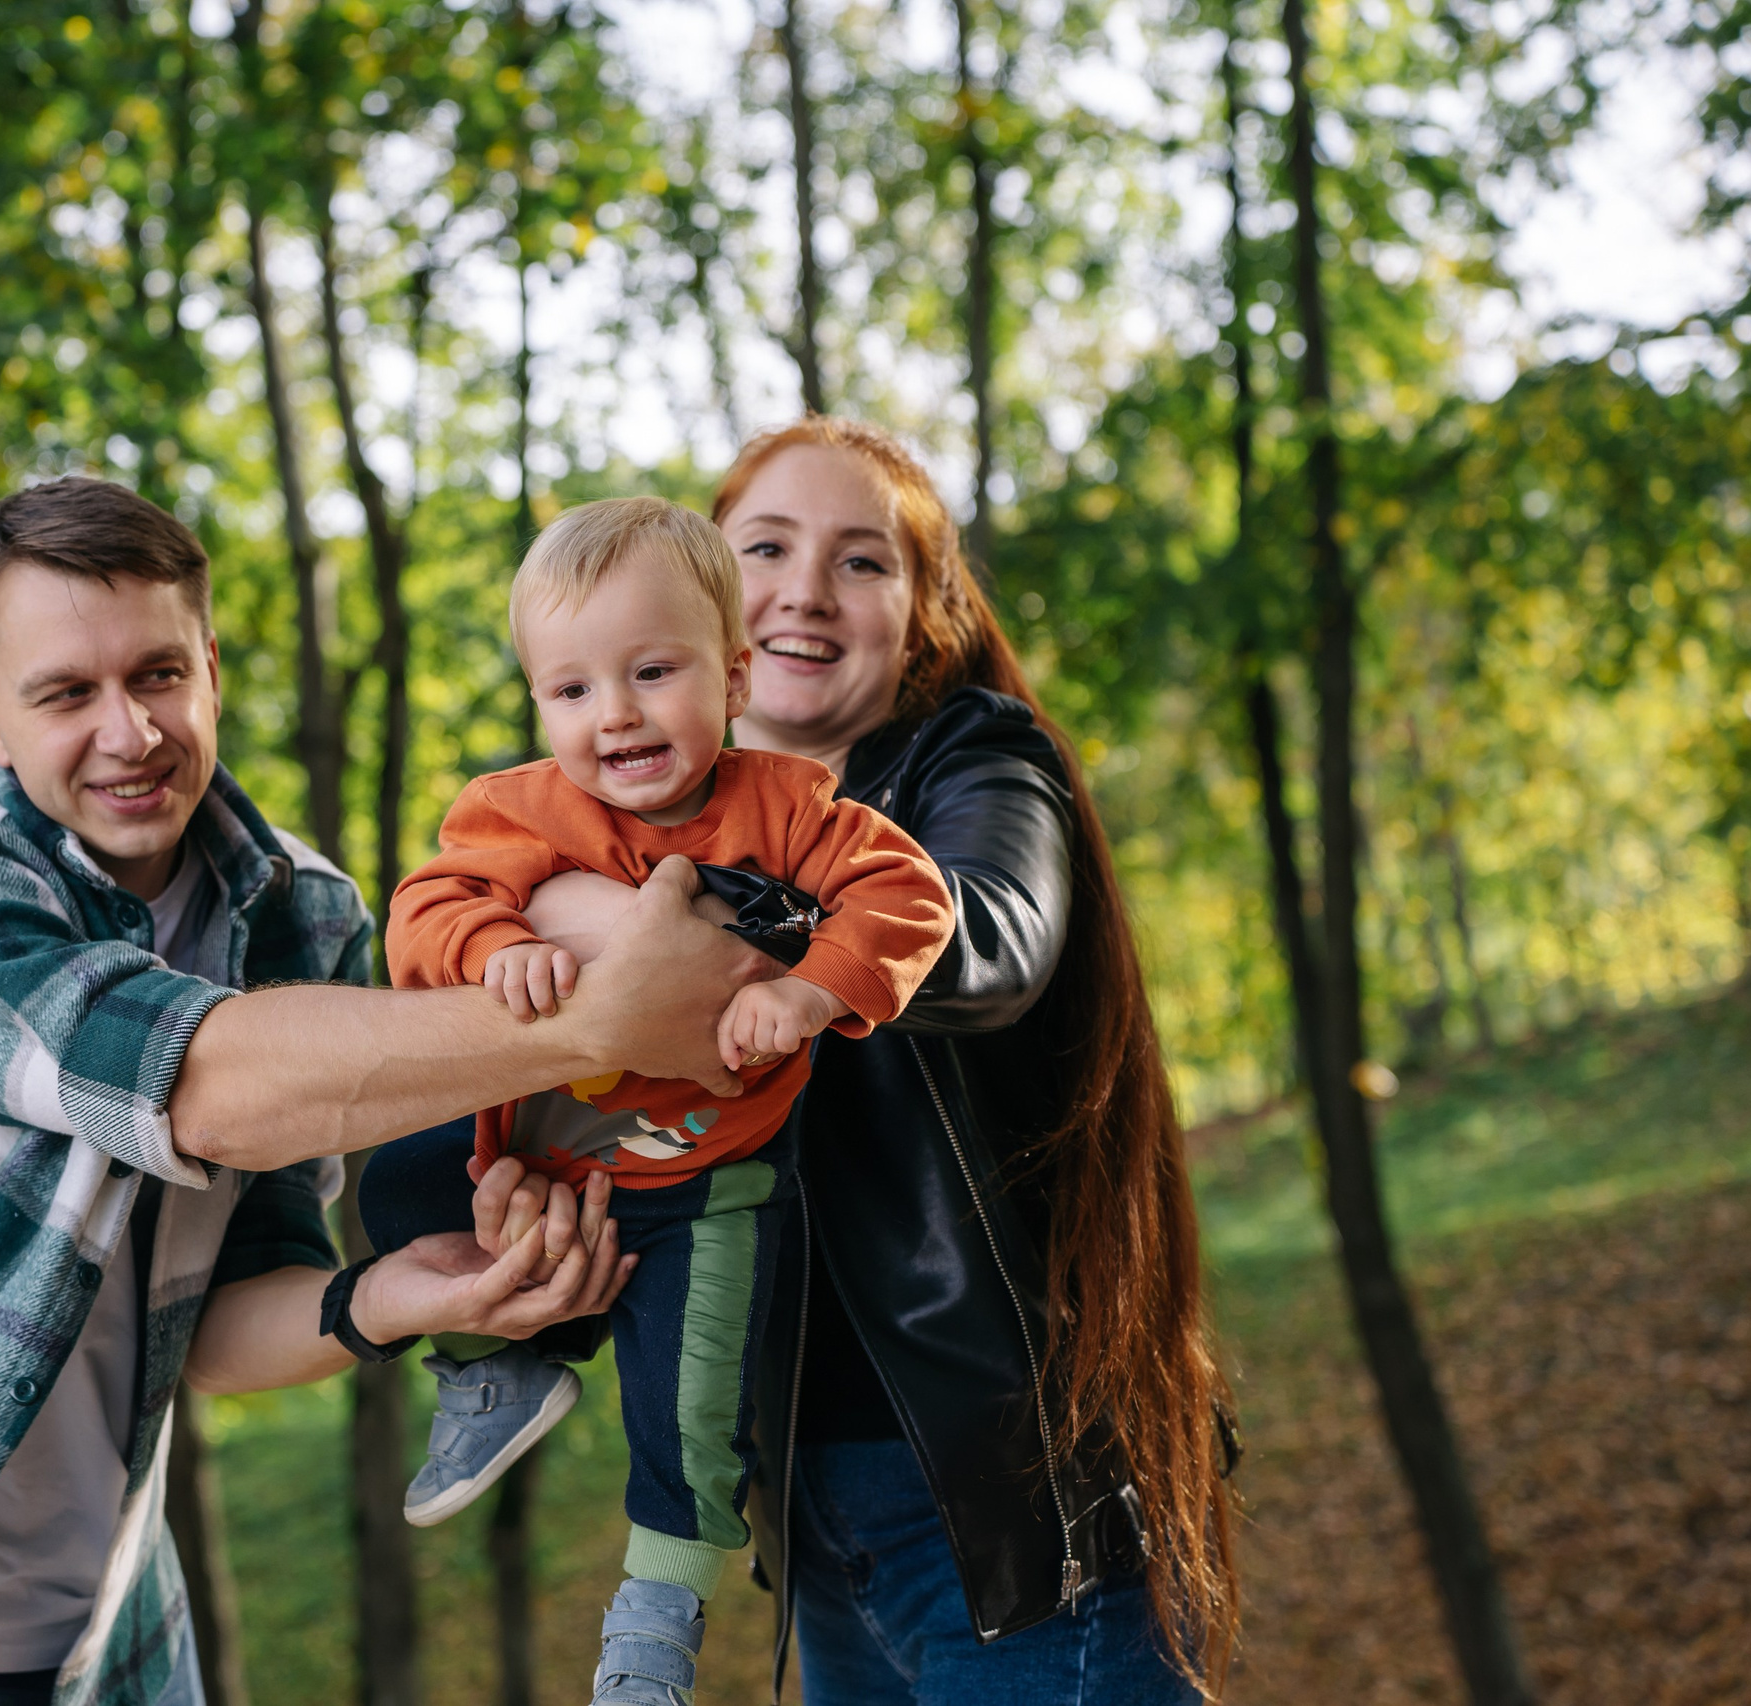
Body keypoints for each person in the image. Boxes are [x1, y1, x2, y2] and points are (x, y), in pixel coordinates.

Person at [0, 478, 778, 1706]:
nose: (130, 731)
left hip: (112, 1645)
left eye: (158, 673)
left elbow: (222, 1325)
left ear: (211, 671)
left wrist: (399, 1292)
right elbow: (199, 1087)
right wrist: (602, 1019)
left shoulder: (299, 912)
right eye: (66, 693)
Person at [515, 420, 1239, 1704]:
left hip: (1000, 1493)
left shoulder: (976, 754)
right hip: (807, 1511)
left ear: (921, 619)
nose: (805, 588)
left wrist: (700, 916)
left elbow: (993, 936)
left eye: (861, 561)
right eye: (766, 548)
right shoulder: (616, 818)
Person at [360, 498, 953, 1705]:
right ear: (539, 703)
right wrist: (492, 947)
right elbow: (424, 909)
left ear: (731, 676)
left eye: (651, 671)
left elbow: (909, 894)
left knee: (694, 1407)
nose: (615, 713)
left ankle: (654, 1623)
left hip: (706, 1182)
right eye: (571, 688)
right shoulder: (518, 811)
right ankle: (486, 1367)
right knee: (398, 1185)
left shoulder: (787, 807)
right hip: (540, 1160)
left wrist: (807, 989)